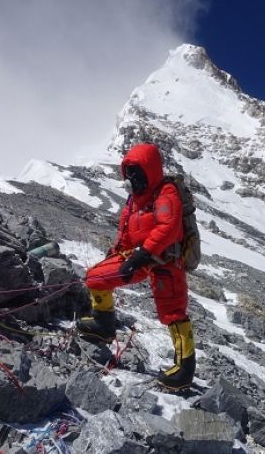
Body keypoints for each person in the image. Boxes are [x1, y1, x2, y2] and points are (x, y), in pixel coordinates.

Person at [77, 142, 195, 390]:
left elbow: (168, 226)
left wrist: (144, 252)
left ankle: (184, 368)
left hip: (166, 260)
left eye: (136, 172)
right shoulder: (134, 200)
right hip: (138, 257)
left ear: (149, 170)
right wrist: (117, 251)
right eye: (128, 172)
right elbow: (125, 229)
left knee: (172, 311)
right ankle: (103, 323)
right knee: (95, 277)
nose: (131, 178)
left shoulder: (166, 192)